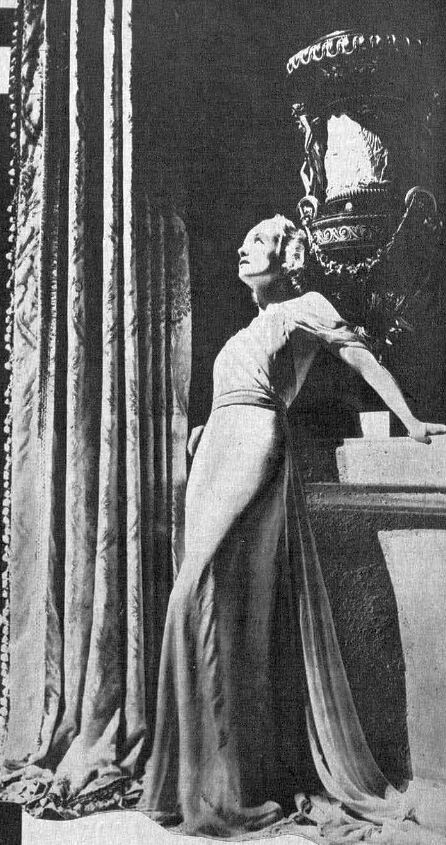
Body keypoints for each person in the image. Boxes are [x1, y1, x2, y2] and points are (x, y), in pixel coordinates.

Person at [139, 214, 446, 838]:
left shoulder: (308, 306)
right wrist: (203, 429)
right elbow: (230, 390)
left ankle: (225, 792)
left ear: (288, 257)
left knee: (200, 592)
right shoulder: (244, 330)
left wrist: (411, 421)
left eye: (258, 241)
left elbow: (361, 360)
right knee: (204, 603)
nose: (243, 248)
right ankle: (200, 782)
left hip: (256, 438)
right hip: (216, 448)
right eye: (244, 240)